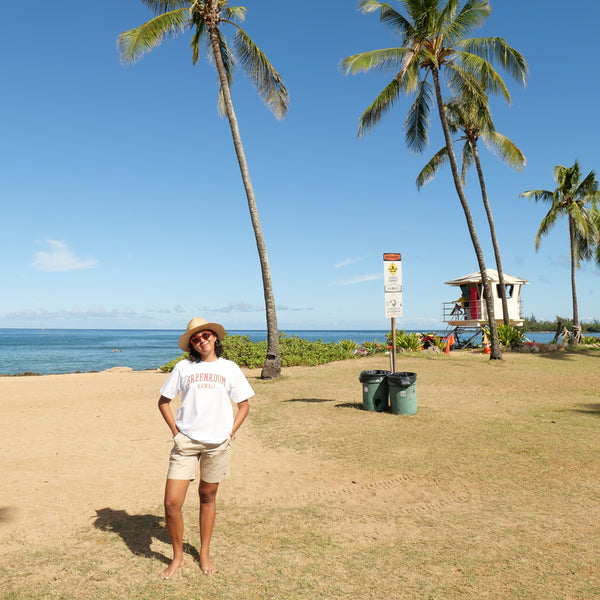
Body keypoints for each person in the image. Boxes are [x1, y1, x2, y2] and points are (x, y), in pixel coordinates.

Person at [157, 317, 253, 579]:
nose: (202, 341)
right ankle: (178, 557)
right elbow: (163, 402)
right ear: (191, 344)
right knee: (171, 503)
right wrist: (176, 433)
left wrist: (230, 432)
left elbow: (243, 405)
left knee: (208, 497)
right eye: (195, 339)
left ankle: (204, 553)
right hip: (186, 443)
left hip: (217, 444)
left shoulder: (230, 368)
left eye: (206, 336)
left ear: (215, 338)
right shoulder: (183, 368)